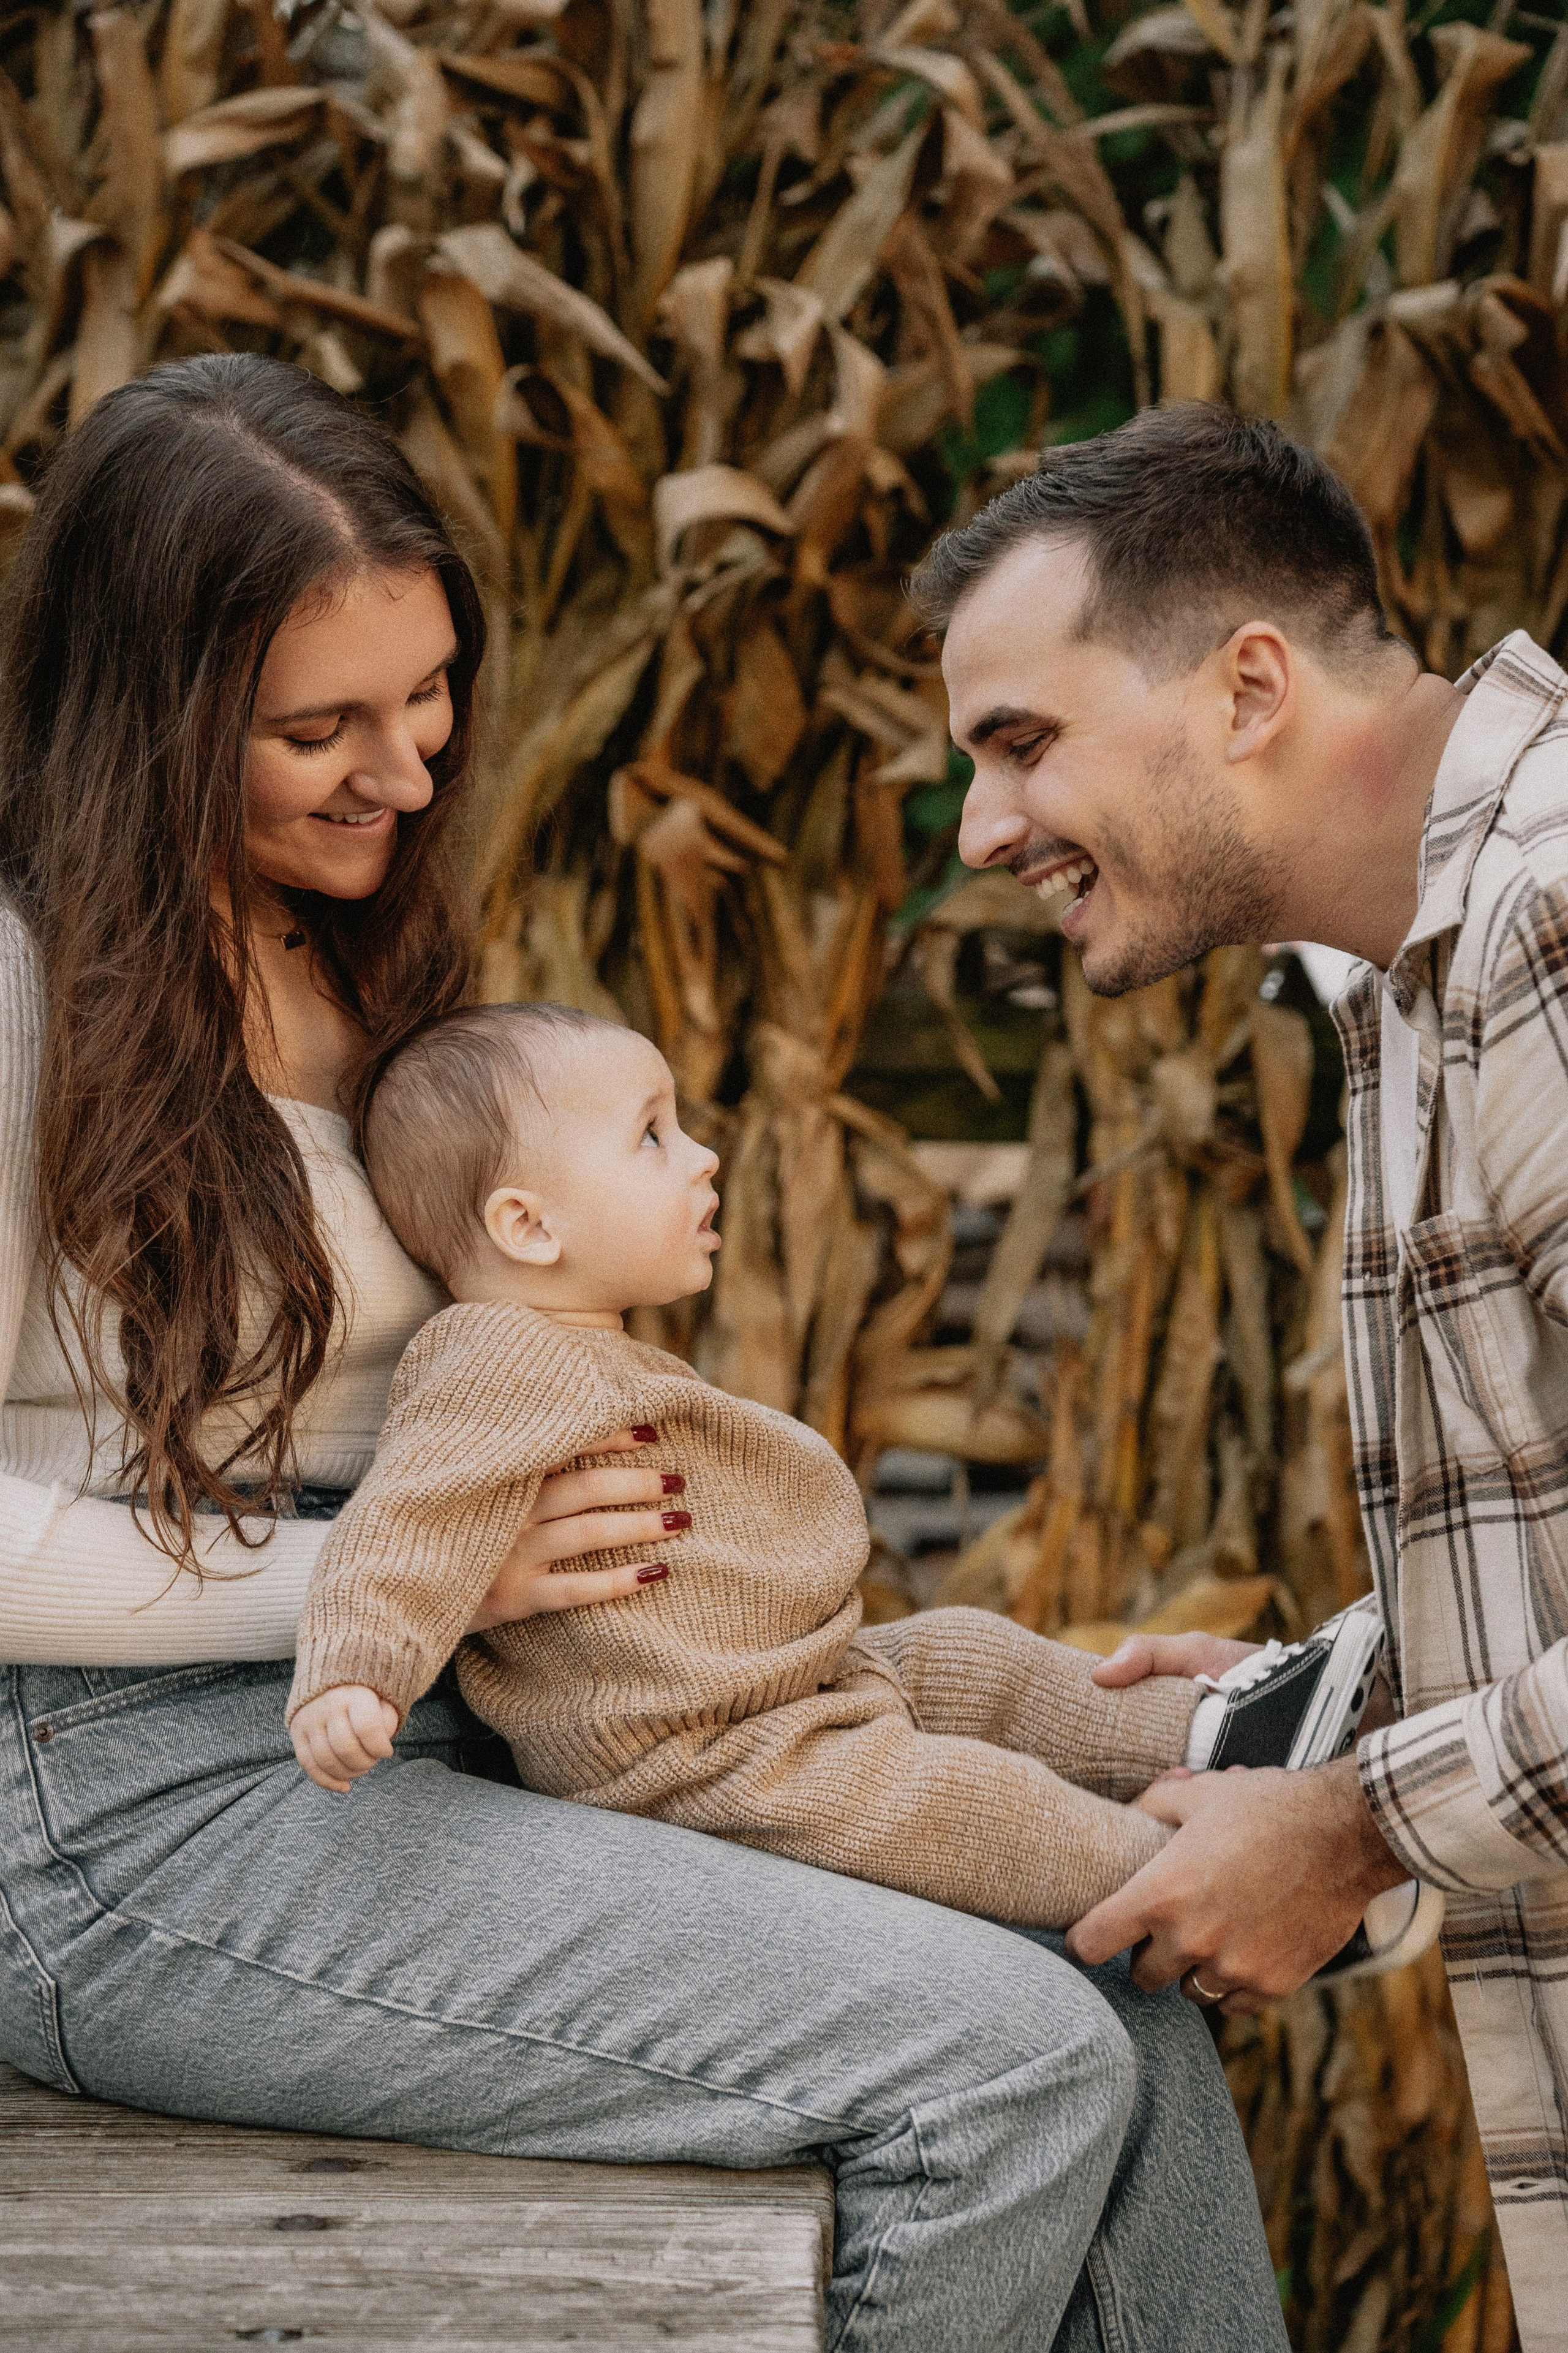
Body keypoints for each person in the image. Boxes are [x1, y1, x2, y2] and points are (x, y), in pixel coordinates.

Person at [0, 353, 1289, 2353]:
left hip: (470, 1734)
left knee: (1114, 1966)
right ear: (146, 716)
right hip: (134, 1820)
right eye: (317, 727)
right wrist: (352, 1581)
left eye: (428, 697)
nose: (407, 770)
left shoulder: (361, 965)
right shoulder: (19, 1006)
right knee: (999, 2063)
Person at [914, 398, 1568, 2348]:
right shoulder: (1410, 980)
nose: (981, 829)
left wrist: (1362, 1823)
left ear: (1250, 684)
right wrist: (1297, 1715)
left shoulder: (1546, 933)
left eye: (1020, 742)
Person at [281, 998, 1216, 1921]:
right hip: (698, 1758)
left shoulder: (593, 1352)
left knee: (976, 1657)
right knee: (963, 1805)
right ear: (529, 1227)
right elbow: (407, 1516)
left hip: (795, 1685)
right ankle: (1193, 1882)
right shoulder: (497, 1355)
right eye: (653, 1136)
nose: (704, 1156)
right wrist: (357, 1671)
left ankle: (1219, 1726)